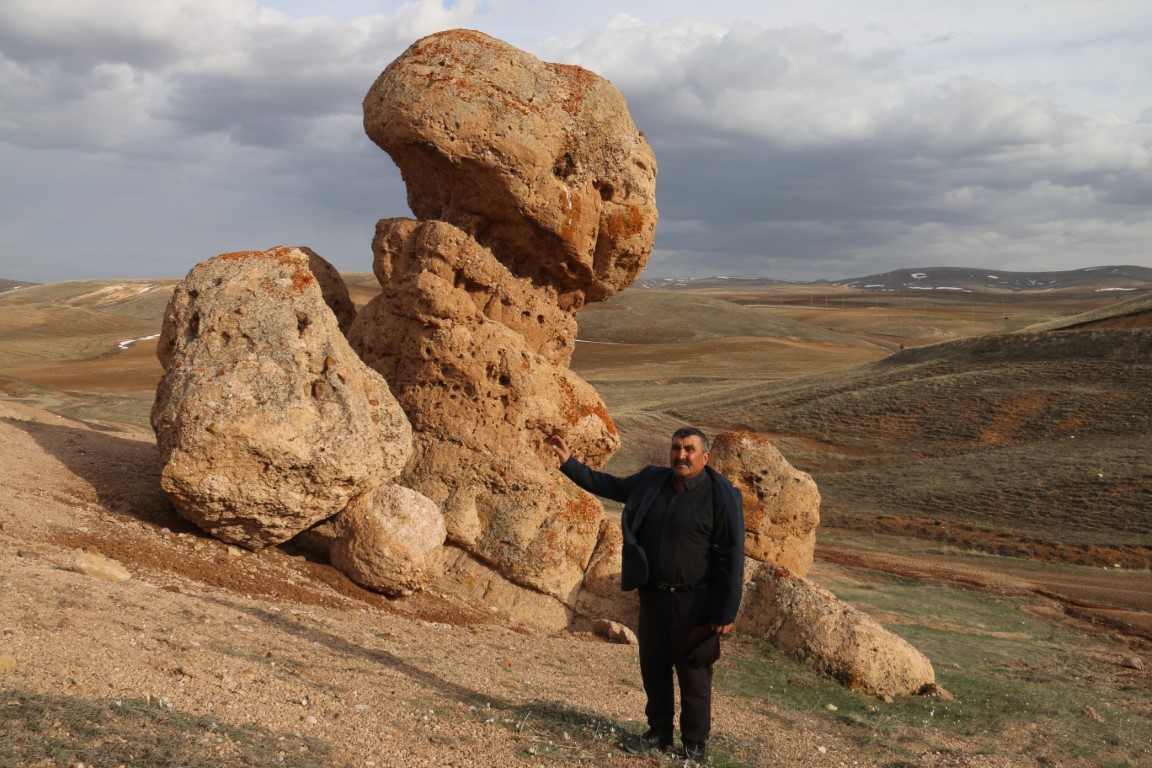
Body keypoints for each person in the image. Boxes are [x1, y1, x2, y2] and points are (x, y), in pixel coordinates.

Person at [548, 427, 745, 763]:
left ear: (705, 456)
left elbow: (732, 553)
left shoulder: (721, 494)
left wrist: (725, 612)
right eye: (676, 448)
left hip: (695, 602)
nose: (681, 455)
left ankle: (694, 746)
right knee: (653, 668)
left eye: (689, 449)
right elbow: (609, 486)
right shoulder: (652, 481)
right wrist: (570, 463)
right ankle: (658, 734)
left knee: (694, 675)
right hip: (654, 596)